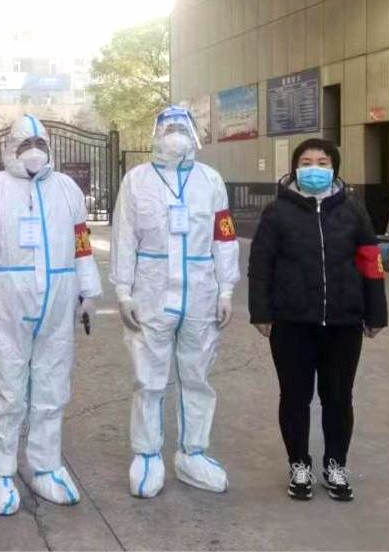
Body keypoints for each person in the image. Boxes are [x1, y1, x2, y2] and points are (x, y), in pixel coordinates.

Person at [0, 114, 102, 516]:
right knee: (7, 389)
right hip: (7, 301)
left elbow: (82, 242)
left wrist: (89, 289)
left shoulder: (67, 189)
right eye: (25, 145)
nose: (33, 152)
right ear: (10, 149)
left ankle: (45, 466)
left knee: (52, 388)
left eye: (40, 144)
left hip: (59, 298)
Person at [110, 105, 240, 498]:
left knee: (197, 377)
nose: (175, 134)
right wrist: (123, 291)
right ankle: (147, 454)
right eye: (168, 128)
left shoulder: (210, 180)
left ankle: (192, 454)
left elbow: (223, 236)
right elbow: (123, 237)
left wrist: (226, 288)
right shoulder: (137, 181)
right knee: (148, 378)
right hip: (151, 293)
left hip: (201, 292)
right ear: (156, 134)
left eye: (182, 127)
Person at [248, 138, 387, 502]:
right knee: (295, 397)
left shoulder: (353, 210)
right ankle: (299, 464)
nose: (314, 169)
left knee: (338, 397)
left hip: (343, 321)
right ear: (295, 168)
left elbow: (371, 262)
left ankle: (335, 465)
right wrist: (261, 311)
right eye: (307, 162)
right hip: (291, 321)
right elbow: (260, 265)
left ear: (334, 168)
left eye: (322, 163)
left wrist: (376, 312)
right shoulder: (277, 212)